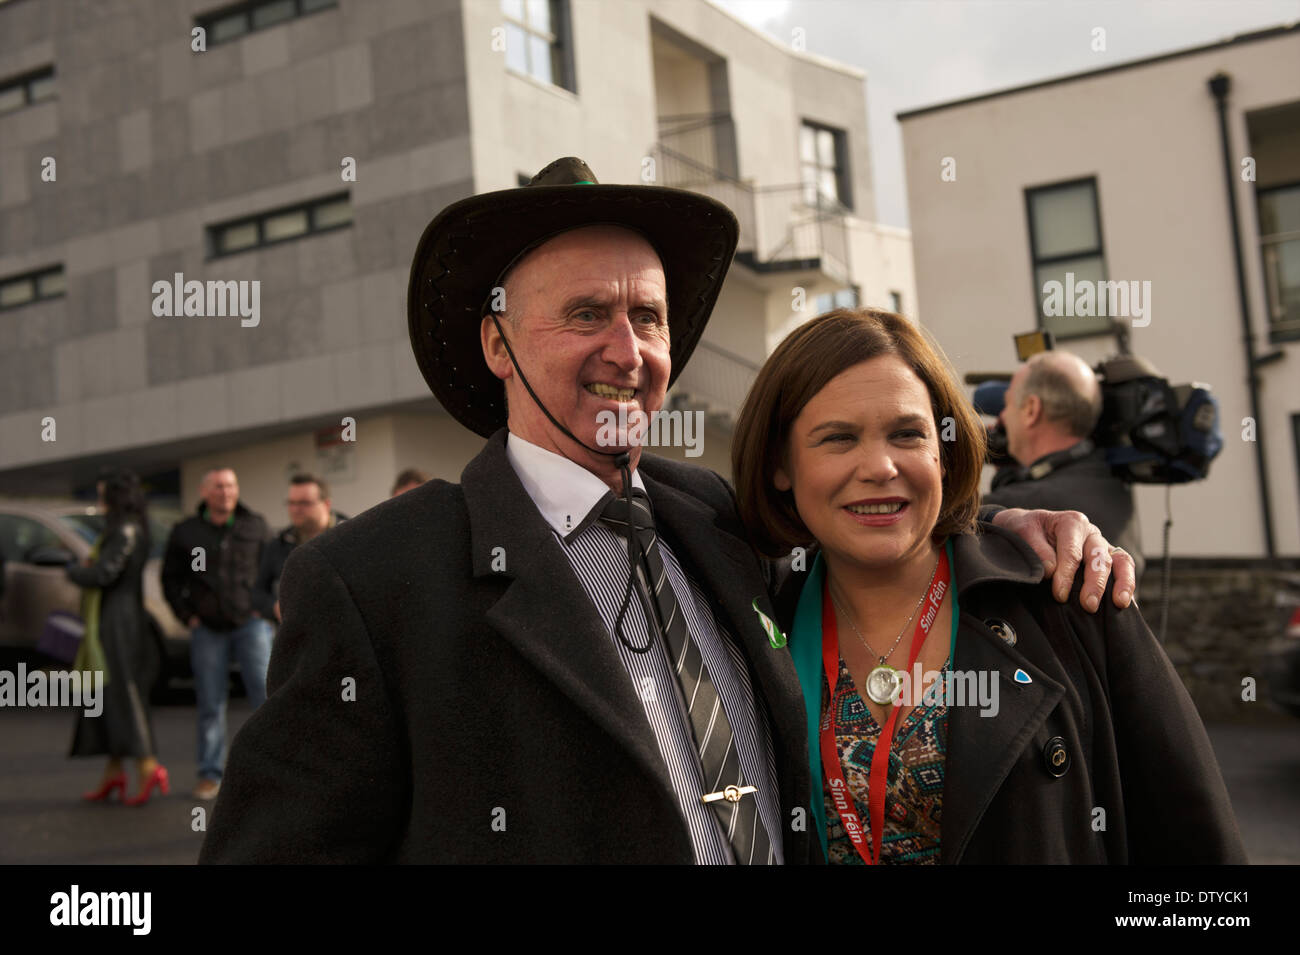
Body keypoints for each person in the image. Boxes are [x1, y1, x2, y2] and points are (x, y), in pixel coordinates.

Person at [201, 157, 1129, 864]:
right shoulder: (374, 581)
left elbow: (880, 529)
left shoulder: (719, 518)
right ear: (496, 342)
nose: (627, 347)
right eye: (585, 313)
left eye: (648, 317)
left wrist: (1006, 531)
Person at [733, 308, 1245, 863]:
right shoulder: (751, 622)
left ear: (944, 451)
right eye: (838, 438)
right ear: (781, 464)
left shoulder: (1069, 595)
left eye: (907, 433)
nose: (880, 466)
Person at [160, 467, 270, 801]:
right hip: (208, 629)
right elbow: (171, 579)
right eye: (219, 487)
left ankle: (273, 770)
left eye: (231, 486)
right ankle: (210, 774)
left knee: (266, 698)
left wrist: (263, 607)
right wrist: (186, 614)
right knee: (211, 703)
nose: (226, 492)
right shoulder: (186, 532)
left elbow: (273, 570)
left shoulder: (256, 525)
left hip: (251, 625)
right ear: (204, 492)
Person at [985, 350, 1145, 577]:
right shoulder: (1112, 481)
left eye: (1007, 403)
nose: (1001, 417)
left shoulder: (1017, 505)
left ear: (1031, 410)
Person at [68, 468, 170, 806]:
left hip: (116, 622)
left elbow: (104, 573)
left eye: (103, 494)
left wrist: (74, 570)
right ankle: (114, 772)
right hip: (125, 619)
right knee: (111, 693)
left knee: (121, 692)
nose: (100, 500)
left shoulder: (122, 529)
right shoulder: (133, 527)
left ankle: (147, 765)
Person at [252, 474, 345, 626]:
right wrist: (274, 608)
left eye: (304, 503)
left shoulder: (349, 537)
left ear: (326, 504)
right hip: (299, 636)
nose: (295, 509)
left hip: (345, 631)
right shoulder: (278, 544)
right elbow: (257, 592)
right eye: (291, 503)